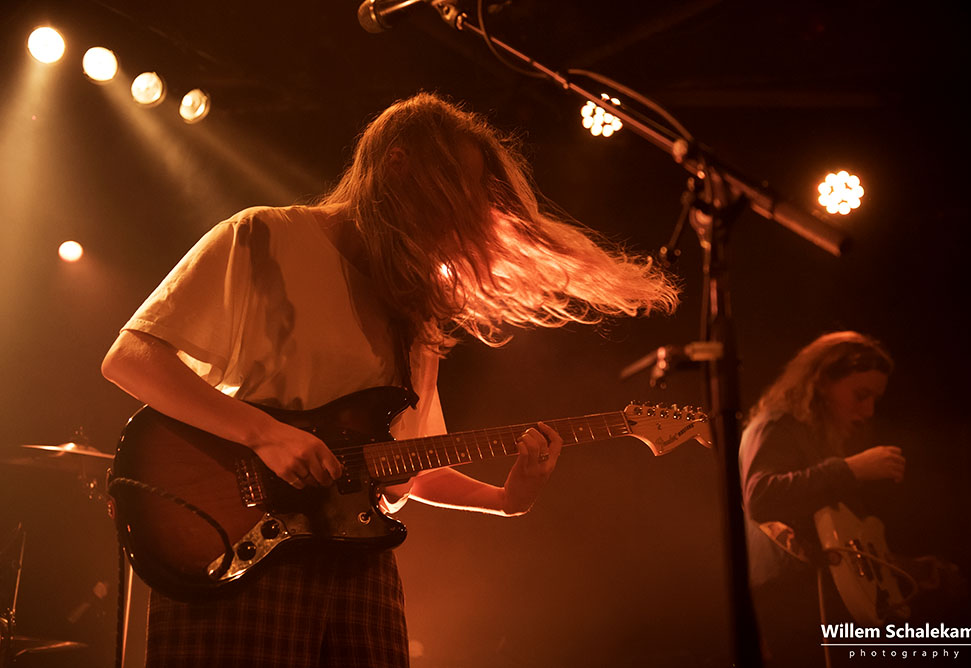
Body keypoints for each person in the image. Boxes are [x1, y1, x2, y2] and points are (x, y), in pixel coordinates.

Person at [101, 92, 679, 667]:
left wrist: (507, 499)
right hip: (243, 547)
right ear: (396, 165)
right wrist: (264, 434)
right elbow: (130, 358)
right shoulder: (262, 238)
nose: (463, 218)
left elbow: (407, 465)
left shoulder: (415, 308)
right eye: (454, 194)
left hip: (358, 569)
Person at [739, 331, 903, 666]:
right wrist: (850, 470)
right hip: (788, 600)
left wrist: (905, 569)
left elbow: (844, 540)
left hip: (817, 599)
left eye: (875, 398)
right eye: (860, 395)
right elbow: (760, 496)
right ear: (822, 381)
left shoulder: (816, 436)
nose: (869, 410)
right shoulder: (776, 425)